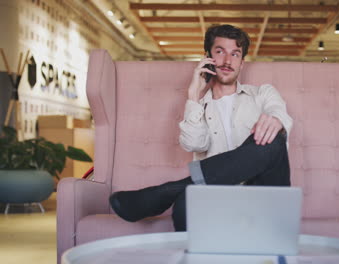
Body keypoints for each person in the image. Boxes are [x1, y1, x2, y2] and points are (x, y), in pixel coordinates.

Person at [109, 24, 293, 231]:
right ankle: (180, 196)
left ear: (242, 62)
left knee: (273, 137)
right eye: (220, 52)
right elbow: (194, 144)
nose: (227, 61)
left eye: (235, 54)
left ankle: (167, 191)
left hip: (266, 194)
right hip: (218, 196)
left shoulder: (263, 93)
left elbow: (280, 114)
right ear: (208, 58)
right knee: (184, 204)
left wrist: (276, 121)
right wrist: (193, 96)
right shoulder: (199, 106)